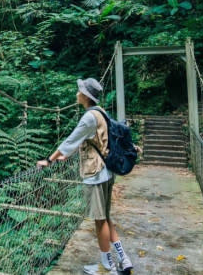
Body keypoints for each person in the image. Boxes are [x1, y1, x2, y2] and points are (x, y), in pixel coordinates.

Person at [36, 78, 133, 275]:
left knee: (99, 220)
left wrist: (49, 159)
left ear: (85, 96)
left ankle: (108, 266)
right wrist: (66, 155)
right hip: (106, 170)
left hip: (95, 173)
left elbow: (70, 140)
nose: (76, 94)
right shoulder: (101, 112)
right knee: (105, 217)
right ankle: (124, 259)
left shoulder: (89, 117)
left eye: (79, 91)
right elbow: (87, 140)